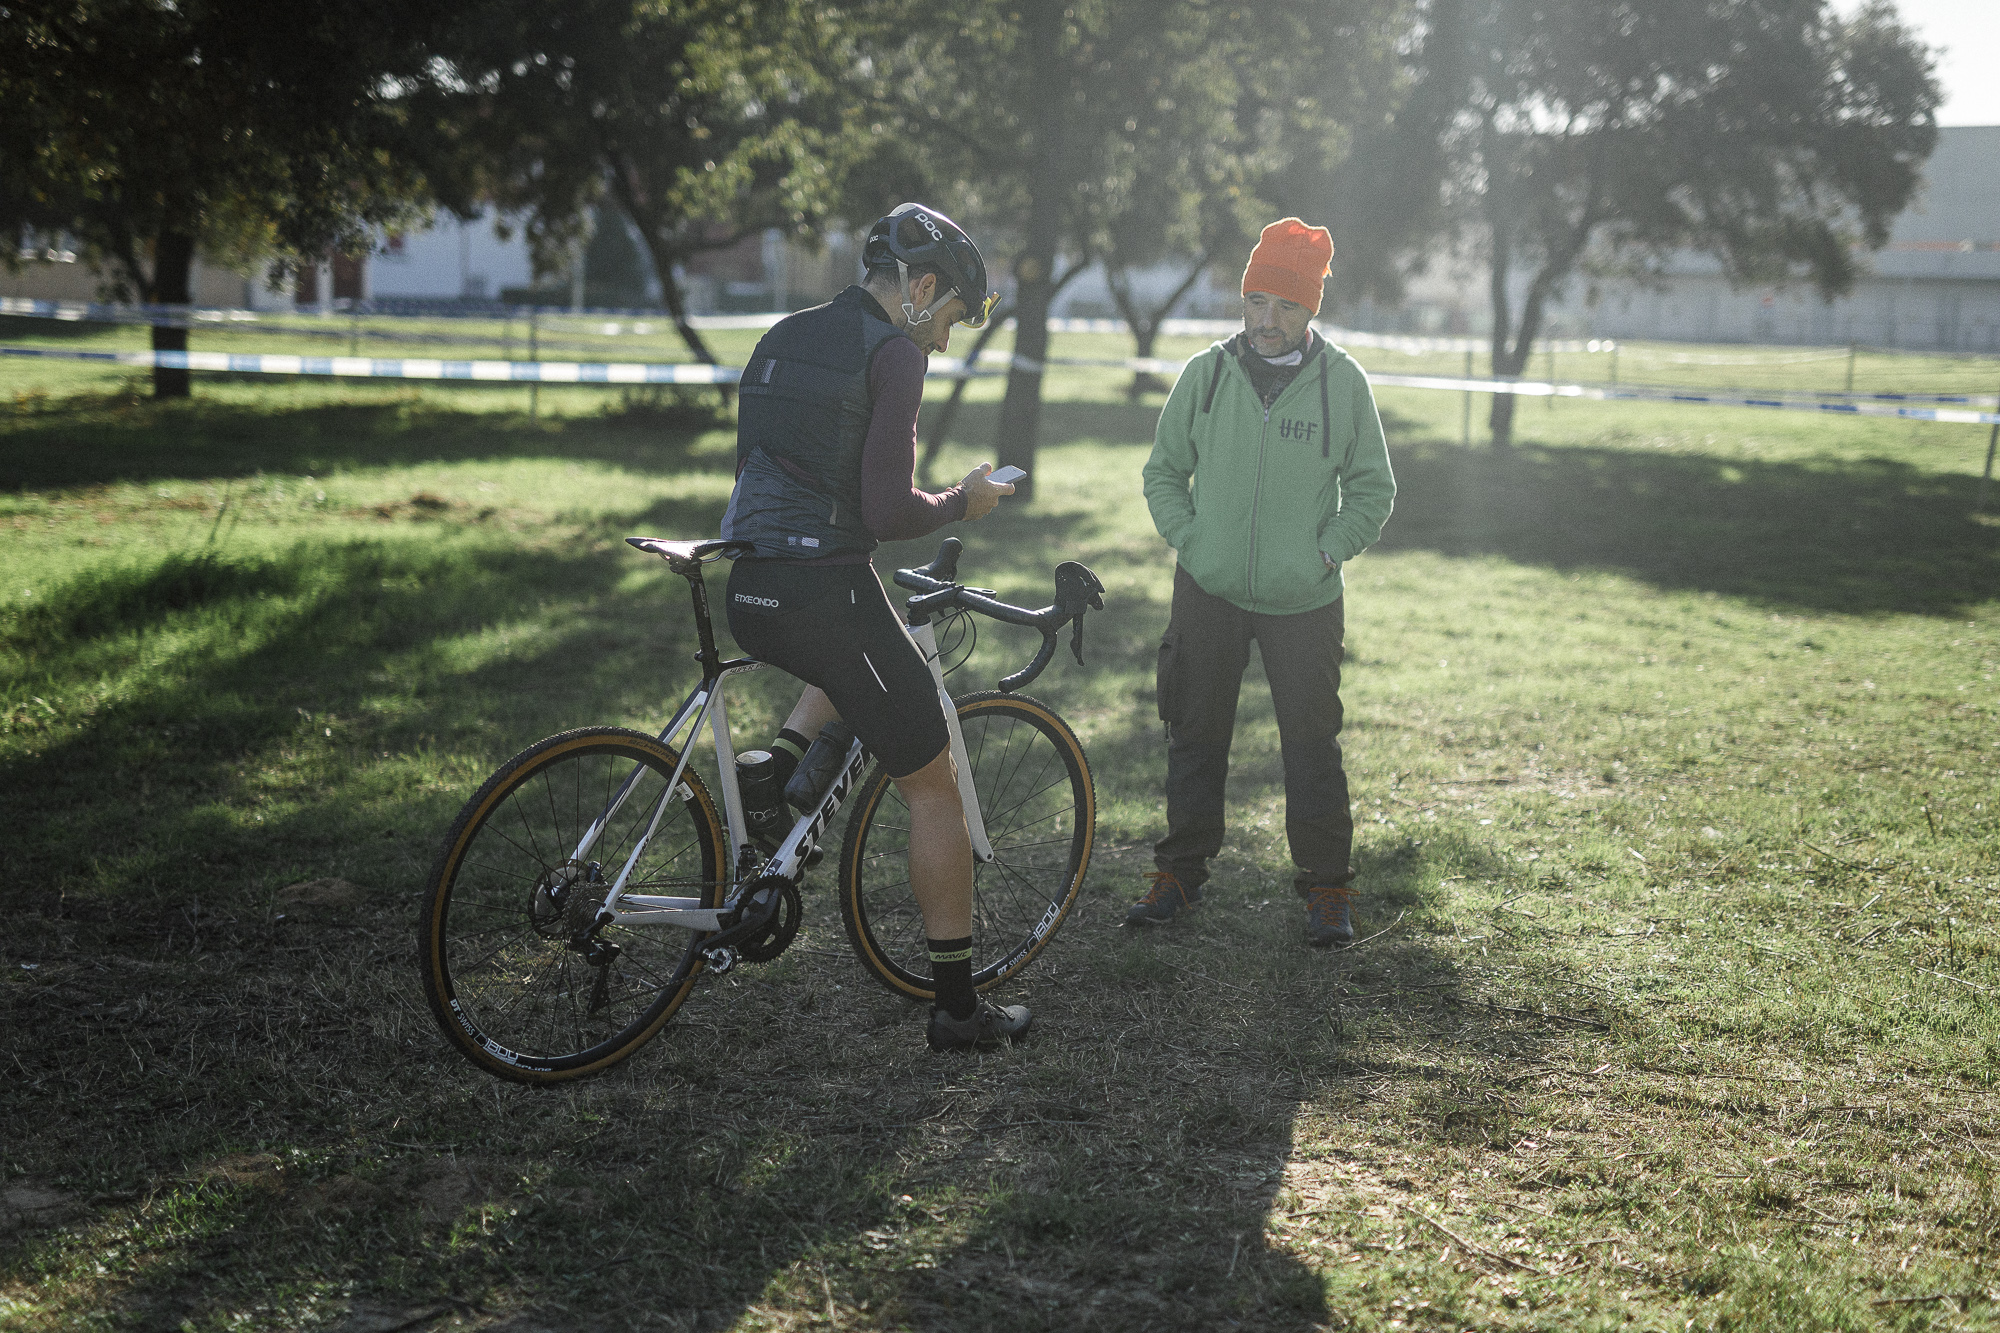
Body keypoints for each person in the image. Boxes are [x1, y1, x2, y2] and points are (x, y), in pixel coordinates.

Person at [718, 202, 1026, 1051]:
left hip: (749, 588)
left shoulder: (782, 333)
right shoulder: (894, 353)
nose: (945, 340)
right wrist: (965, 501)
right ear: (919, 288)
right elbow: (887, 512)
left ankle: (776, 775)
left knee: (862, 644)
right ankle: (958, 1009)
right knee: (934, 787)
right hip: (824, 594)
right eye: (951, 316)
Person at [1129, 217, 1396, 946]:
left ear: (1310, 310)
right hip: (1207, 588)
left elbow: (1372, 490)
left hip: (1304, 599)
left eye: (1285, 305)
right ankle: (1179, 874)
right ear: (1242, 302)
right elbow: (1163, 472)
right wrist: (1193, 541)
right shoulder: (1206, 375)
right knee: (1193, 735)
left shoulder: (1343, 383)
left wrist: (1326, 553)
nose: (1267, 320)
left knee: (1312, 747)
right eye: (1256, 302)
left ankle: (1328, 887)